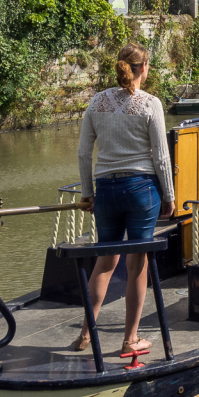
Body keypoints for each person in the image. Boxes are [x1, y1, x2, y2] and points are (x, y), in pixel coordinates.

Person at [73, 44, 175, 355]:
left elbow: (82, 153)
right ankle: (130, 340)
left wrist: (87, 193)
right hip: (141, 190)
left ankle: (85, 335)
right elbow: (160, 157)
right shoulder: (150, 104)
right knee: (137, 264)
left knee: (104, 261)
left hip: (105, 190)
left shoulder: (97, 102)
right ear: (144, 67)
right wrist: (169, 196)